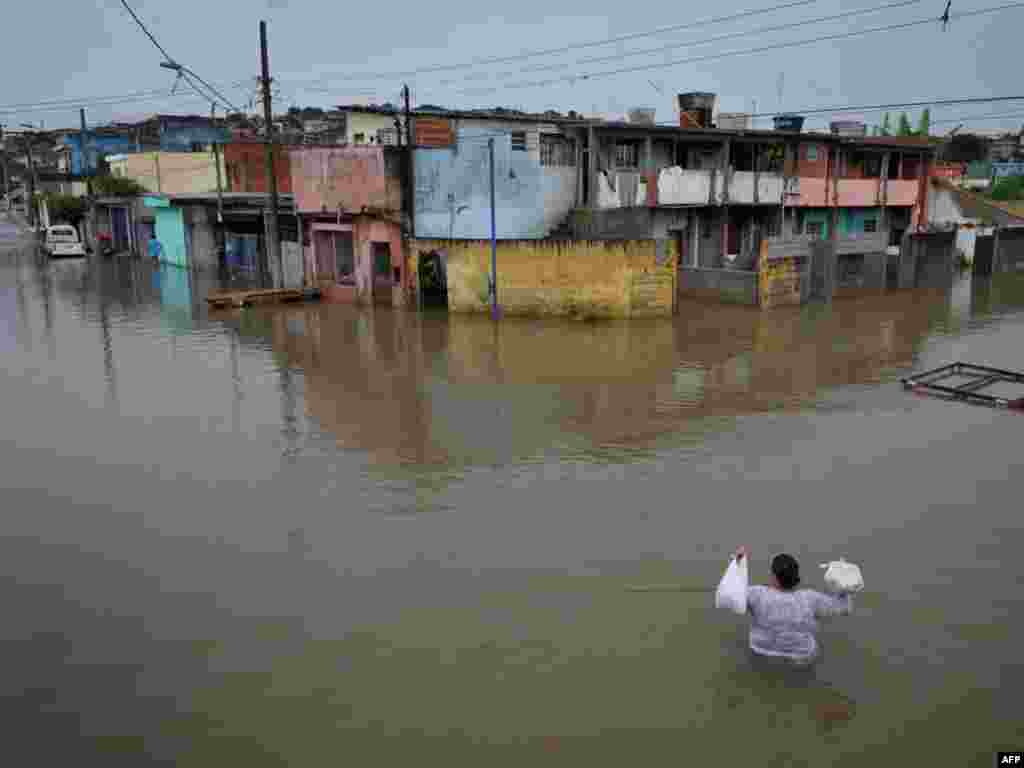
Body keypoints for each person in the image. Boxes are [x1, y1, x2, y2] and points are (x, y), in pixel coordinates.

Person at [733, 547, 853, 666]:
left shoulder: (756, 595)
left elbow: (731, 594)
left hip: (761, 650)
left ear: (774, 577)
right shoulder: (810, 600)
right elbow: (844, 608)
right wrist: (844, 583)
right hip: (800, 654)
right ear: (796, 578)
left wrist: (738, 562)